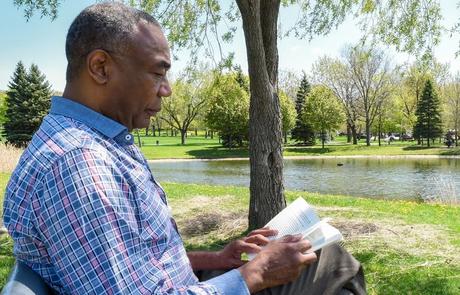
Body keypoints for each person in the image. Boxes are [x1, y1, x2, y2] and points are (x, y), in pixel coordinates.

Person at [3, 3, 365, 294]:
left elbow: (136, 263)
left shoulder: (92, 144)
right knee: (333, 265)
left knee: (323, 253)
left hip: (190, 282)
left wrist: (218, 258)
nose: (167, 89)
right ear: (100, 67)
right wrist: (258, 272)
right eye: (158, 72)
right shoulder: (79, 165)